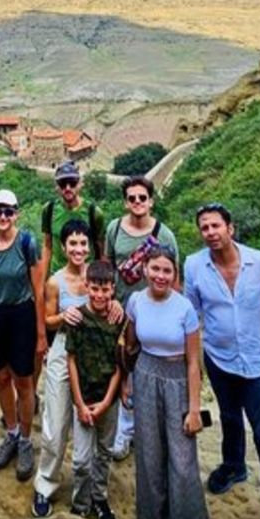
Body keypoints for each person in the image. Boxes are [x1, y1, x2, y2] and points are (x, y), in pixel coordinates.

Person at [183, 202, 260, 519]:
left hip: (256, 362)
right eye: (204, 227)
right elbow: (190, 313)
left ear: (230, 228)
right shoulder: (194, 265)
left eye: (216, 226)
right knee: (229, 417)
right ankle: (234, 466)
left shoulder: (259, 263)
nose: (210, 232)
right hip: (218, 357)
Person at [31, 220, 123, 518]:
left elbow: (109, 301)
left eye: (83, 243)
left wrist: (117, 306)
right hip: (64, 349)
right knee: (56, 424)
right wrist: (63, 316)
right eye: (73, 243)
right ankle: (45, 484)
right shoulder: (55, 281)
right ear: (63, 246)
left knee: (96, 428)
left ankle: (92, 493)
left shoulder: (98, 276)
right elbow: (47, 321)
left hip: (96, 354)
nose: (79, 249)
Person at [127, 246, 209, 519]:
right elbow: (129, 345)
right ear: (145, 269)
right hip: (145, 374)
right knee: (148, 452)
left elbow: (193, 363)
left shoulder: (185, 308)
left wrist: (195, 410)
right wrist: (126, 383)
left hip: (178, 378)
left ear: (175, 274)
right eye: (155, 269)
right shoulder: (136, 301)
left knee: (182, 454)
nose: (160, 276)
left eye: (167, 271)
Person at [105, 175, 179, 461]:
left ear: (151, 201)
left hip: (153, 312)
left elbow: (174, 276)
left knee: (144, 370)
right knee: (122, 366)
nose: (137, 202)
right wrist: (109, 299)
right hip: (119, 310)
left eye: (142, 198)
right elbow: (107, 265)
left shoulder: (164, 234)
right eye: (132, 198)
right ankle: (123, 430)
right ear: (126, 202)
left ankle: (139, 429)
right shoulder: (114, 228)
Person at [0, 189, 43, 483]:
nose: (3, 216)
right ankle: (12, 433)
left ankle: (25, 440)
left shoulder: (27, 243)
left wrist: (40, 332)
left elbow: (38, 288)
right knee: (1, 377)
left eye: (8, 211)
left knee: (23, 381)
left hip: (21, 315)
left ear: (17, 214)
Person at [66, 260, 125, 519]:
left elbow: (119, 366)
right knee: (81, 459)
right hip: (83, 397)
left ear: (113, 289)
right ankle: (80, 502)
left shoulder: (117, 320)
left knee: (104, 452)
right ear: (86, 286)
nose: (100, 295)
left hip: (108, 400)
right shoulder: (77, 318)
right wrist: (79, 403)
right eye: (95, 289)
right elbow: (71, 361)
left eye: (105, 290)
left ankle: (99, 498)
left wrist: (106, 402)